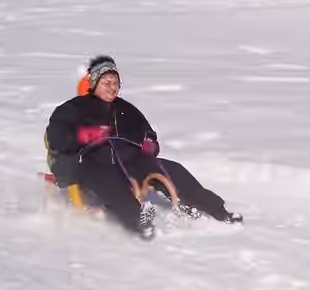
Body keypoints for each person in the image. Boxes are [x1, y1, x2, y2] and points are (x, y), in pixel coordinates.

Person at [45, 55, 242, 237]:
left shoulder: (126, 109)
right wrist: (84, 135)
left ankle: (215, 210)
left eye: (116, 83)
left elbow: (148, 133)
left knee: (172, 170)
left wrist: (150, 144)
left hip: (131, 160)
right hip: (93, 162)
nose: (112, 87)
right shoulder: (73, 108)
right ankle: (137, 219)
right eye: (106, 82)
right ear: (94, 83)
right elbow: (56, 136)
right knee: (108, 180)